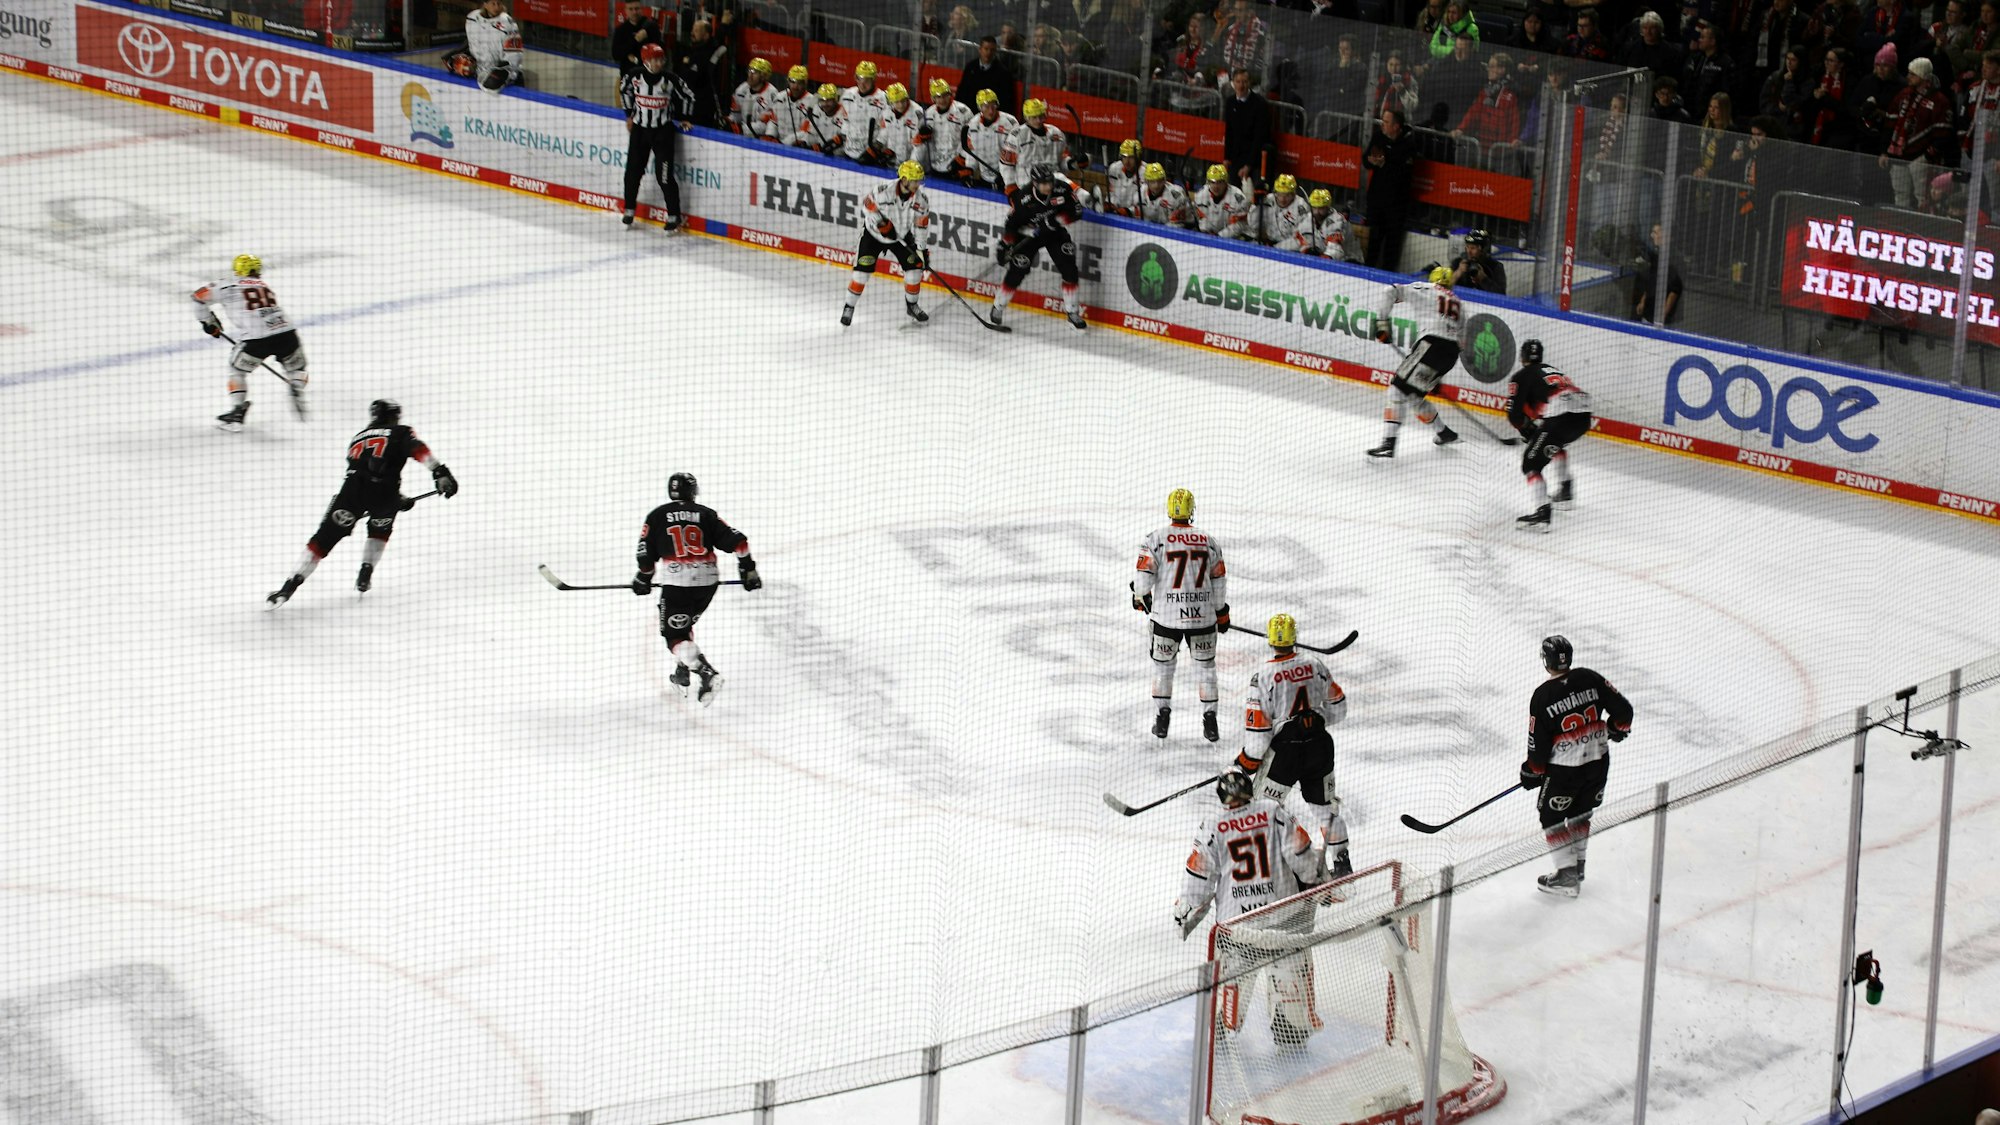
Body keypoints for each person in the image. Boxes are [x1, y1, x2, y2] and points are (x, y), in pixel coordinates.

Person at [1172, 769, 1326, 1045]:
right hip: (1285, 919)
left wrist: (1187, 909)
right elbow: (1300, 853)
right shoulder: (1272, 811)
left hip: (1239, 929)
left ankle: (1221, 1025)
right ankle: (1289, 1030)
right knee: (1291, 989)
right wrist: (1316, 880)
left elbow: (1200, 874)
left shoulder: (1213, 825)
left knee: (1229, 989)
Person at [266, 399, 458, 607]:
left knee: (322, 540)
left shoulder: (357, 438)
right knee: (379, 531)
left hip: (350, 493)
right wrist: (439, 472)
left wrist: (397, 498)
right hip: (384, 494)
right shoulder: (400, 431)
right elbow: (415, 449)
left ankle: (288, 587)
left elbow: (367, 470)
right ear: (393, 416)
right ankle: (366, 571)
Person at [1229, 614, 1353, 878]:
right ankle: (1342, 865)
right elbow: (1339, 709)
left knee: (1263, 809)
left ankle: (1278, 867)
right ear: (1294, 636)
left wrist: (1244, 763)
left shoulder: (1262, 676)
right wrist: (1314, 722)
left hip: (1285, 753)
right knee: (1324, 808)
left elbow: (1260, 737)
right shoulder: (1315, 664)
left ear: (1270, 640)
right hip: (1319, 746)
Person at [631, 473, 760, 706]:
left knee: (674, 636)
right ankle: (682, 672)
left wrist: (643, 577)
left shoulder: (657, 515)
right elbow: (739, 543)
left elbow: (646, 553)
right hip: (707, 581)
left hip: (677, 583)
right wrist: (748, 570)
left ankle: (706, 672)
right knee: (684, 624)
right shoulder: (705, 514)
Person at [1519, 635, 1633, 897]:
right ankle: (1577, 867)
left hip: (1564, 771)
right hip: (1598, 762)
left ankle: (1568, 876)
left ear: (1546, 661)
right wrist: (1615, 728)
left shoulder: (1543, 696)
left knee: (1551, 816)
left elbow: (1538, 746)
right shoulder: (1590, 678)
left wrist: (1532, 771)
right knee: (1582, 812)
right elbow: (1624, 713)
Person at [1131, 488, 1229, 741]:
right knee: (1206, 669)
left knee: (1163, 669)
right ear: (1191, 510)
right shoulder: (1209, 541)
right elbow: (1218, 582)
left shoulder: (1155, 539)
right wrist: (1221, 613)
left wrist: (1141, 597)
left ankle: (1162, 718)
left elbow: (1142, 584)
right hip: (1203, 617)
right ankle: (1210, 720)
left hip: (1166, 618)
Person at [196, 254, 308, 431]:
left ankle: (237, 413)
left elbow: (197, 297)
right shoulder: (263, 286)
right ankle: (297, 386)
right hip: (287, 332)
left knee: (237, 370)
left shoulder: (227, 283)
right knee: (297, 369)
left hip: (257, 338)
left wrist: (209, 322)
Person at [1367, 265, 1463, 458]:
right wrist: (1436, 377)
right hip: (1450, 354)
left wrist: (1382, 323)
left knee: (1396, 389)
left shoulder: (1426, 288)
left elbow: (1390, 291)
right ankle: (1444, 433)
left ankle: (1388, 443)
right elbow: (1460, 341)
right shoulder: (1458, 303)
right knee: (1413, 396)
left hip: (1431, 345)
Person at [1504, 339, 1593, 529]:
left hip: (1561, 417)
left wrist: (1524, 429)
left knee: (1530, 463)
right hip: (1584, 417)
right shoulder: (1554, 371)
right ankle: (1565, 491)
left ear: (1522, 357)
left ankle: (1542, 513)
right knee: (1554, 444)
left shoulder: (1521, 375)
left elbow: (1514, 414)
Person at [989, 163, 1088, 329]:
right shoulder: (1023, 198)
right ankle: (998, 306)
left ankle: (1072, 313)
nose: (1048, 186)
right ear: (1034, 183)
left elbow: (1077, 211)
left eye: (1050, 182)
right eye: (1044, 183)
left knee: (1069, 269)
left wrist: (1054, 222)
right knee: (1017, 270)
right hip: (1029, 235)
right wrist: (1005, 244)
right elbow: (1012, 224)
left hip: (1054, 232)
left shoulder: (1062, 189)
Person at [842, 161, 933, 327]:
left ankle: (912, 306)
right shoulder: (883, 190)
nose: (917, 184)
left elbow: (921, 226)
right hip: (873, 235)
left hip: (901, 236)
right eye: (914, 180)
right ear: (904, 179)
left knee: (915, 270)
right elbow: (867, 206)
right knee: (861, 274)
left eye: (919, 180)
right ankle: (849, 307)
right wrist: (882, 223)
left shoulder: (922, 200)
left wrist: (921, 250)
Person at [621, 44, 693, 231]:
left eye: (662, 59)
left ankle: (674, 215)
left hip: (663, 133)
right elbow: (624, 90)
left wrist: (686, 117)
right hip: (639, 131)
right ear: (646, 61)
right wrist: (629, 114)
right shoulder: (634, 75)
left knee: (665, 176)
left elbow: (689, 96)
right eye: (655, 59)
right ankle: (629, 210)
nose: (660, 63)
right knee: (632, 173)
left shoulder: (670, 79)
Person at [1879, 58, 1952, 208]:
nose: (1908, 77)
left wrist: (1927, 156)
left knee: (1924, 198)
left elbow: (1943, 134)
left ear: (1924, 77)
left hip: (1921, 158)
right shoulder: (1903, 95)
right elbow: (1890, 123)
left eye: (1913, 74)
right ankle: (1899, 227)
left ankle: (1921, 227)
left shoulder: (1939, 101)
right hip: (1898, 155)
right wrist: (1885, 151)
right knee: (1900, 195)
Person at [1362, 107, 1418, 270]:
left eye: (1386, 122)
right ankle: (1368, 271)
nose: (1382, 125)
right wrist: (1371, 161)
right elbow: (1365, 159)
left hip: (1396, 205)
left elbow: (1403, 174)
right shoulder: (1379, 137)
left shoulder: (1408, 144)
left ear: (1396, 126)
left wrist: (1384, 164)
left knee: (1391, 247)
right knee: (1373, 241)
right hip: (1376, 200)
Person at [1000, 98, 1070, 196]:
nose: (1038, 120)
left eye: (1041, 116)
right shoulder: (1016, 135)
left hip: (1053, 183)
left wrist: (1073, 163)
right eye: (1034, 117)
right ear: (1026, 117)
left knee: (1065, 183)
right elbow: (1006, 164)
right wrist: (1011, 186)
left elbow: (1063, 161)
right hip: (1026, 187)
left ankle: (1089, 200)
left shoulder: (1057, 134)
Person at [1221, 67, 1274, 186]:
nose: (1241, 85)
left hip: (1255, 159)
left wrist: (1248, 166)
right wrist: (1226, 158)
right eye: (1238, 82)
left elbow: (1259, 138)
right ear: (1233, 83)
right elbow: (1229, 132)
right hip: (1237, 156)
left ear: (1249, 83)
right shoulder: (1230, 102)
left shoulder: (1259, 104)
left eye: (1244, 82)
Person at [919, 78, 975, 179]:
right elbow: (919, 141)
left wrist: (962, 159)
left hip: (957, 167)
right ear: (933, 98)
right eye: (938, 97)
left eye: (945, 95)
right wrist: (922, 136)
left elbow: (973, 140)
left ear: (950, 95)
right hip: (934, 168)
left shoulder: (964, 112)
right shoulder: (928, 114)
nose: (942, 100)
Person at [963, 89, 1017, 189]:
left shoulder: (1010, 122)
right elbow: (972, 152)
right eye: (986, 107)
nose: (991, 110)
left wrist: (1007, 175)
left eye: (993, 105)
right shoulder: (973, 124)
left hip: (1008, 180)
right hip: (984, 179)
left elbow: (1016, 153)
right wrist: (968, 171)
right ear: (980, 107)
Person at [465, 0, 523, 92]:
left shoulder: (508, 23)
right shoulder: (472, 18)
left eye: (499, 3)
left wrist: (504, 74)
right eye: (493, 4)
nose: (496, 7)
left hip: (505, 80)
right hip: (479, 75)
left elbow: (514, 56)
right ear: (485, 4)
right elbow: (472, 44)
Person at [1632, 221, 1684, 323]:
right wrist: (1643, 301)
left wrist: (1663, 315)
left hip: (1662, 319)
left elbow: (1675, 290)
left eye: (1655, 233)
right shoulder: (1657, 255)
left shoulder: (1674, 258)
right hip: (1649, 312)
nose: (1652, 236)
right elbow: (1652, 281)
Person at [840, 61, 891, 164]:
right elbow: (845, 121)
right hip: (848, 153)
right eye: (859, 79)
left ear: (874, 80)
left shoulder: (884, 99)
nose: (862, 85)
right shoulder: (847, 95)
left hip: (870, 157)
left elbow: (887, 129)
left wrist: (874, 149)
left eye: (867, 81)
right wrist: (839, 138)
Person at [957, 35, 1019, 114]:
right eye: (986, 49)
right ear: (980, 50)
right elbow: (962, 91)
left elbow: (1006, 102)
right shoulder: (971, 67)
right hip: (969, 112)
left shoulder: (1003, 73)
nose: (988, 53)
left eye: (992, 50)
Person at [1193, 162, 1253, 239]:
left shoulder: (1238, 198)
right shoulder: (1201, 195)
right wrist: (1206, 231)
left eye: (1219, 182)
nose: (1216, 186)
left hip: (1230, 239)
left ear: (1226, 182)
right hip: (1207, 236)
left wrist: (1220, 237)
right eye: (1212, 182)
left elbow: (1240, 224)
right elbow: (1199, 217)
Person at [729, 56, 781, 140]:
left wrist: (742, 129)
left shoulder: (772, 94)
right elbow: (736, 116)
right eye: (749, 70)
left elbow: (767, 126)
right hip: (741, 137)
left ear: (763, 76)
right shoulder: (741, 90)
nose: (750, 75)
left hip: (760, 140)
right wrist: (729, 122)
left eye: (754, 72)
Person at [873, 83, 925, 166]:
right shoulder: (886, 111)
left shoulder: (917, 113)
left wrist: (911, 164)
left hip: (911, 163)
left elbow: (919, 145)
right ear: (890, 102)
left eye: (903, 100)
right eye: (897, 102)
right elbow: (884, 133)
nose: (901, 105)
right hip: (892, 161)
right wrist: (876, 147)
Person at [1255, 173, 1311, 248]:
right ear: (1275, 192)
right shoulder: (1268, 199)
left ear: (1293, 193)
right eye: (1280, 194)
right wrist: (1255, 204)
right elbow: (1253, 225)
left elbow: (1301, 237)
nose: (1282, 199)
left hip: (1287, 248)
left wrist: (1276, 248)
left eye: (1287, 195)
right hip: (1265, 243)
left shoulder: (1301, 207)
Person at [1450, 228, 1507, 293]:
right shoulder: (1458, 263)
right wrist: (1458, 272)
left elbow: (1502, 294)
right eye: (1467, 247)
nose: (1469, 251)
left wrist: (1484, 279)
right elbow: (1445, 286)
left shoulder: (1495, 267)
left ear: (1483, 249)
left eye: (1473, 248)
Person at [612, 4, 661, 79]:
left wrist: (634, 59)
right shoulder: (621, 30)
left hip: (649, 76)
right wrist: (635, 40)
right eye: (631, 9)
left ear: (641, 9)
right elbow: (615, 54)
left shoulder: (650, 27)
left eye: (637, 8)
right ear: (626, 10)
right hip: (628, 76)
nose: (634, 12)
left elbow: (659, 49)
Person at [772, 65, 816, 148]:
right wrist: (770, 135)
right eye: (792, 81)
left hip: (797, 148)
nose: (795, 87)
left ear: (805, 83)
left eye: (799, 83)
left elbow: (805, 131)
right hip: (778, 144)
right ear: (788, 81)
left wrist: (783, 143)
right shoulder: (779, 97)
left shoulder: (812, 103)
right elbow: (773, 122)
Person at [1137, 161, 1192, 226]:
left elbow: (1179, 225)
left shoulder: (1176, 195)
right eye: (1152, 182)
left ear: (1164, 180)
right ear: (1146, 181)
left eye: (1159, 181)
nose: (1156, 185)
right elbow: (1137, 217)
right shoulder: (1140, 193)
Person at [1301, 189, 1350, 258]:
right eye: (1314, 208)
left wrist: (1319, 258)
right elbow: (1301, 240)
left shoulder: (1337, 221)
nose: (1317, 212)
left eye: (1321, 208)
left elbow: (1336, 251)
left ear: (1328, 207)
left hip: (1342, 262)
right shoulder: (1308, 217)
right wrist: (1306, 250)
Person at [1102, 138, 1145, 214]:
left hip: (1135, 218)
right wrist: (1110, 204)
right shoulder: (1114, 168)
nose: (1127, 161)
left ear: (1138, 157)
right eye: (1124, 157)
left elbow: (1145, 204)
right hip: (1116, 213)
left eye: (1131, 157)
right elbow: (1112, 193)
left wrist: (1129, 212)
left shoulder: (1146, 173)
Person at [801, 82, 847, 152]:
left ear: (835, 99)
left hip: (839, 157)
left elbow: (845, 140)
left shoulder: (844, 114)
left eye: (828, 100)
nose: (825, 104)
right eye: (822, 100)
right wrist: (805, 142)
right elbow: (811, 135)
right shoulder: (816, 110)